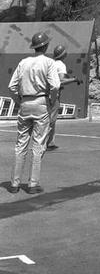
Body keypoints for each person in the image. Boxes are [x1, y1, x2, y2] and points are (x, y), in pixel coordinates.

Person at [8, 31, 60, 194]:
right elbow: (55, 86)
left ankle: (14, 184)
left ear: (34, 47)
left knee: (21, 144)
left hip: (25, 103)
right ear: (45, 45)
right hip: (41, 102)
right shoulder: (49, 62)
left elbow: (12, 86)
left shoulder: (23, 62)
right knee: (38, 144)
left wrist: (19, 101)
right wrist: (51, 101)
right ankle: (33, 184)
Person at [47, 45, 78, 150]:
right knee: (52, 119)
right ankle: (46, 143)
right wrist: (74, 80)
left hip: (45, 94)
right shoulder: (60, 65)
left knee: (48, 118)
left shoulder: (50, 63)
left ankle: (50, 142)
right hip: (54, 95)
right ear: (63, 54)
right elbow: (61, 81)